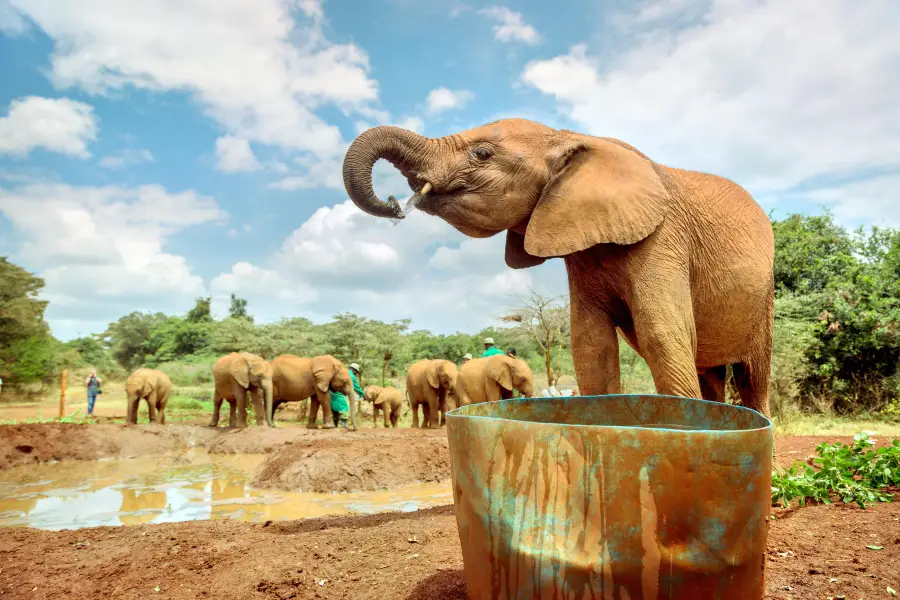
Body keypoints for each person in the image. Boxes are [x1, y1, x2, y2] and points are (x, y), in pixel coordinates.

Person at [329, 362, 365, 429]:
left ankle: (335, 424)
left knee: (334, 407)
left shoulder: (343, 372)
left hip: (330, 391)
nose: (356, 374)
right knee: (344, 407)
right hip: (338, 391)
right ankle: (343, 425)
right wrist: (363, 394)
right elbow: (356, 387)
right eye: (356, 372)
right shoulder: (351, 376)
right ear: (354, 370)